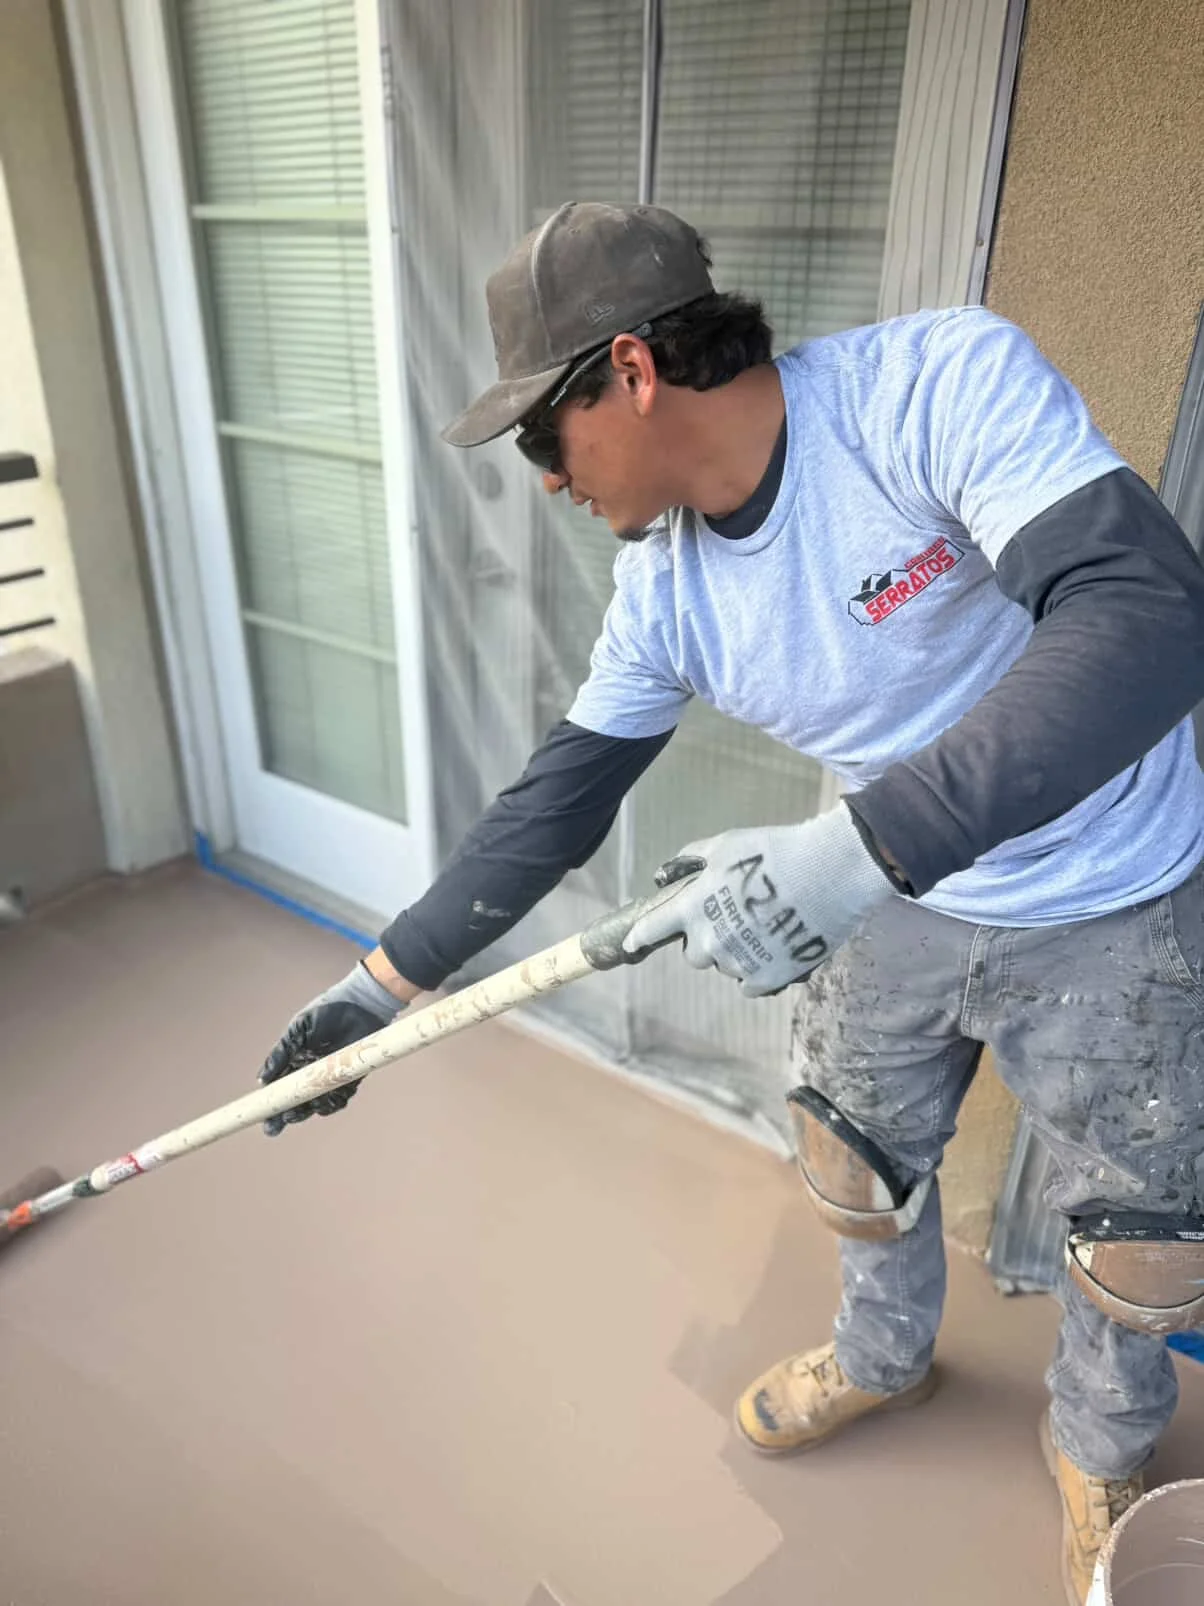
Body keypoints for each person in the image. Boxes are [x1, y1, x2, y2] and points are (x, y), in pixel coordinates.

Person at [257, 201, 1204, 1605]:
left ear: (630, 373)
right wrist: (378, 987)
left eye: (542, 436)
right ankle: (884, 1358)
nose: (544, 479)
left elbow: (1150, 617)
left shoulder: (928, 390)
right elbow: (558, 798)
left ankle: (1102, 1441)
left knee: (1140, 1229)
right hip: (889, 893)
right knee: (850, 1157)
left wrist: (856, 846)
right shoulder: (666, 592)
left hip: (1111, 887)